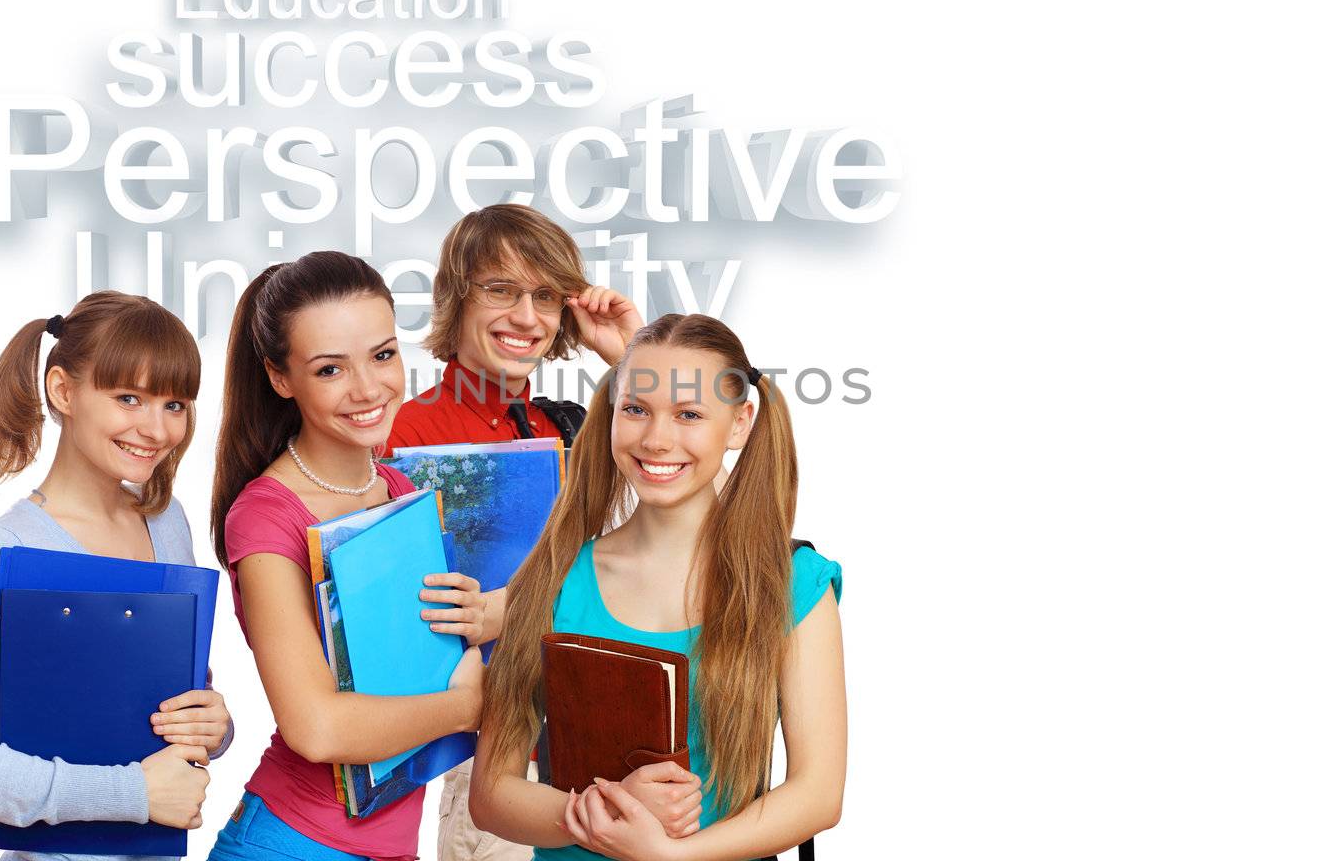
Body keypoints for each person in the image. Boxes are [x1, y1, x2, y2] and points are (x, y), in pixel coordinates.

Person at [470, 314, 847, 861]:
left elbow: (817, 796)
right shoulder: (552, 578)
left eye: (689, 414)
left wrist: (670, 855)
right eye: (636, 410)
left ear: (739, 424)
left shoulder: (795, 585)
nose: (656, 439)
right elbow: (492, 794)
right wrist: (605, 809)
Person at [0, 291, 232, 861]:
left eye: (175, 404)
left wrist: (214, 723)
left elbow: (166, 701)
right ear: (63, 391)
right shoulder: (4, 551)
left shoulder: (168, 523)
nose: (155, 430)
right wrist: (131, 793)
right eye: (129, 397)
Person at [385, 203, 644, 861]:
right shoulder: (403, 437)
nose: (527, 318)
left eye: (546, 296)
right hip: (493, 758)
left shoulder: (567, 428)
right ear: (455, 298)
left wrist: (630, 353)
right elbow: (383, 623)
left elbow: (675, 534)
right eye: (501, 290)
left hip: (597, 741)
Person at [208, 250, 486, 860]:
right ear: (281, 378)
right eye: (330, 369)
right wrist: (468, 704)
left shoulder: (402, 491)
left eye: (383, 355)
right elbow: (316, 728)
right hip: (292, 843)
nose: (368, 389)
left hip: (389, 843)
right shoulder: (265, 518)